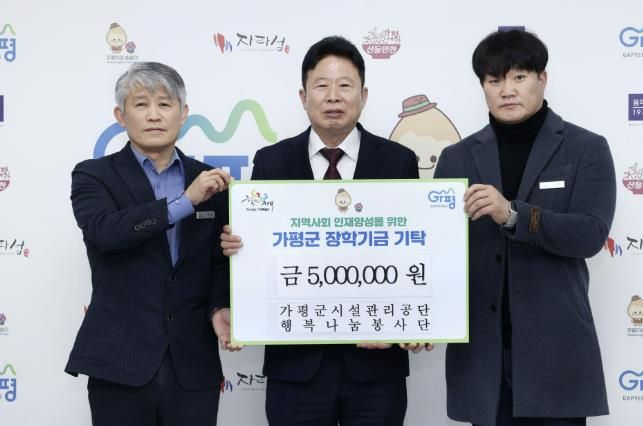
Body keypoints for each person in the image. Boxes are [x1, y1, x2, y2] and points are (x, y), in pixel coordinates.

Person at [221, 35, 425, 426]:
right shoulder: (271, 162)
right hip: (295, 367)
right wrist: (240, 247)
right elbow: (257, 253)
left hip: (376, 365)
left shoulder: (398, 161)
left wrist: (420, 320)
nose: (333, 96)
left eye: (345, 85)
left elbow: (416, 250)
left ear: (363, 95)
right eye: (321, 85)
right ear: (303, 96)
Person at [434, 30, 615, 426]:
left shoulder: (586, 148)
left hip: (556, 357)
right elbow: (438, 253)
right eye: (494, 80)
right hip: (483, 360)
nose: (507, 90)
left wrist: (513, 214)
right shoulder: (455, 158)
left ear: (542, 79)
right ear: (482, 86)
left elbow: (590, 234)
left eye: (519, 77)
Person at [65, 62, 233, 426]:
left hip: (194, 363)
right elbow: (106, 232)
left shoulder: (208, 181)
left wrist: (220, 306)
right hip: (120, 362)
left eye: (165, 104)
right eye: (141, 104)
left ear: (183, 114)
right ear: (120, 116)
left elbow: (219, 262)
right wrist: (186, 202)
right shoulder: (94, 175)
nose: (154, 115)